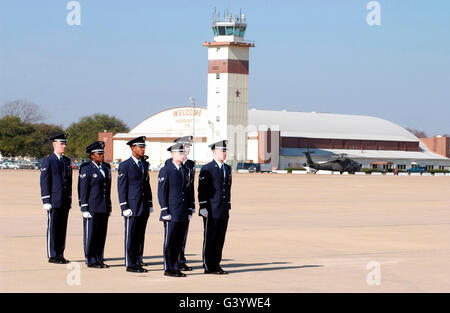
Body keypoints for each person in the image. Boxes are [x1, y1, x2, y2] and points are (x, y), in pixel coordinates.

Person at [117, 136, 153, 273]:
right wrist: (124, 206)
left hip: (142, 205)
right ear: (133, 148)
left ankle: (138, 260)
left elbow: (146, 185)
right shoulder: (125, 165)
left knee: (140, 235)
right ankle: (130, 263)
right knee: (131, 235)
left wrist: (149, 203)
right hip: (131, 206)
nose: (143, 149)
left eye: (144, 147)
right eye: (140, 147)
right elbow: (122, 187)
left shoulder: (143, 165)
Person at [198, 140, 232, 275]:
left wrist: (228, 205)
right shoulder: (207, 168)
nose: (224, 153)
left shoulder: (227, 168)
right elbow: (202, 189)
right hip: (211, 209)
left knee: (219, 239)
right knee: (210, 238)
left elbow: (228, 188)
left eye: (225, 151)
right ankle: (208, 265)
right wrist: (203, 206)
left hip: (223, 209)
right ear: (214, 152)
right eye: (222, 151)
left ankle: (216, 264)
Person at [158, 143, 192, 277]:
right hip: (171, 212)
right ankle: (168, 268)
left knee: (178, 241)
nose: (183, 155)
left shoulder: (184, 170)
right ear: (172, 154)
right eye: (180, 153)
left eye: (183, 153)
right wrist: (164, 210)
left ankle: (176, 266)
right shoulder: (166, 170)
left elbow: (187, 191)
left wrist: (189, 209)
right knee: (170, 241)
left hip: (182, 211)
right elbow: (162, 192)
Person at [40, 133, 72, 264]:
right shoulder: (48, 161)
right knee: (53, 228)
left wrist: (69, 198)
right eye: (61, 144)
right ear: (54, 145)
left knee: (62, 229)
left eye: (65, 144)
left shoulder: (66, 161)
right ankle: (52, 255)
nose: (64, 146)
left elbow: (68, 181)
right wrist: (46, 200)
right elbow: (44, 181)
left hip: (63, 200)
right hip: (53, 200)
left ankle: (60, 253)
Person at [78, 141, 111, 268]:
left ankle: (99, 258)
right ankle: (90, 259)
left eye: (102, 153)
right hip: (91, 207)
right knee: (91, 234)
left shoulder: (106, 168)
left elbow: (107, 188)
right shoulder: (87, 168)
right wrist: (84, 207)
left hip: (103, 206)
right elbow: (83, 189)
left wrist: (109, 206)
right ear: (92, 155)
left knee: (101, 234)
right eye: (99, 154)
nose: (101, 156)